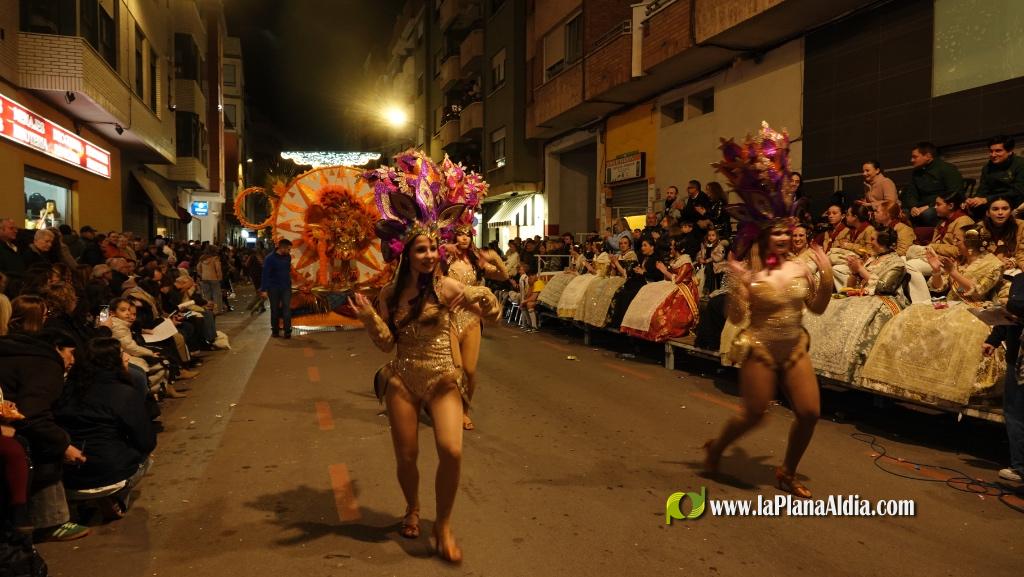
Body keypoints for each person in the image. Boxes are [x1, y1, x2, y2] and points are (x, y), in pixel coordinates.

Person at [356, 152, 500, 563]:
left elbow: (480, 304)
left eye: (434, 249)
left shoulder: (449, 287)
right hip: (402, 379)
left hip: (441, 379)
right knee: (407, 457)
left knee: (452, 450)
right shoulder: (389, 295)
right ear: (406, 254)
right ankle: (413, 507)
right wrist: (369, 318)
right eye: (421, 250)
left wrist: (486, 301)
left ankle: (445, 525)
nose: (430, 255)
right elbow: (386, 345)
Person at [702, 123, 834, 499]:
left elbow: (818, 308)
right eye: (775, 232)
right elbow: (737, 319)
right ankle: (717, 447)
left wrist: (824, 274)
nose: (783, 236)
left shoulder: (801, 267)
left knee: (809, 413)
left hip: (793, 347)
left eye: (786, 231)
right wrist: (737, 284)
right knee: (754, 414)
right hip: (759, 347)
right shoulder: (752, 273)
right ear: (761, 236)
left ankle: (787, 471)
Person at [56, 337, 156, 518]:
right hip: (110, 475)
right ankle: (117, 497)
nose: (126, 357)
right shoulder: (123, 393)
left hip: (69, 479)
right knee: (146, 457)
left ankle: (86, 500)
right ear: (111, 361)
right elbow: (147, 441)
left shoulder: (66, 390)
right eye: (121, 354)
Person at [443, 226, 507, 430]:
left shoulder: (476, 262)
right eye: (460, 235)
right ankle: (448, 408)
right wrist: (444, 248)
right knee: (456, 370)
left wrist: (494, 257)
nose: (464, 238)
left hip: (472, 319)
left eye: (467, 235)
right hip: (449, 318)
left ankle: (464, 411)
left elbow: (503, 276)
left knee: (470, 371)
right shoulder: (446, 260)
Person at [904, 141, 964, 227]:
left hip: (938, 205)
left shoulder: (947, 169)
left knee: (928, 214)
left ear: (928, 156)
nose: (912, 160)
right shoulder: (916, 172)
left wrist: (929, 206)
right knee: (902, 214)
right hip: (920, 206)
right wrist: (913, 207)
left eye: (915, 157)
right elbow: (911, 193)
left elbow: (955, 193)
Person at [967, 135, 1024, 218]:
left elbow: (1018, 191)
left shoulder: (1020, 164)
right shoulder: (987, 167)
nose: (993, 155)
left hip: (1015, 203)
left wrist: (987, 199)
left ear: (1010, 151)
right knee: (972, 208)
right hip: (993, 203)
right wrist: (973, 200)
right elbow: (983, 190)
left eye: (998, 151)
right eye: (991, 151)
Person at [260, 239, 293, 339]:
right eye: (288, 249)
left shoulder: (288, 257)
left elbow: (288, 271)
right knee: (275, 310)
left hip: (286, 287)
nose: (289, 251)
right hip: (273, 288)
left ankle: (287, 331)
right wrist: (264, 290)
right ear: (282, 247)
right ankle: (275, 330)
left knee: (286, 308)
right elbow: (265, 275)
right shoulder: (269, 259)